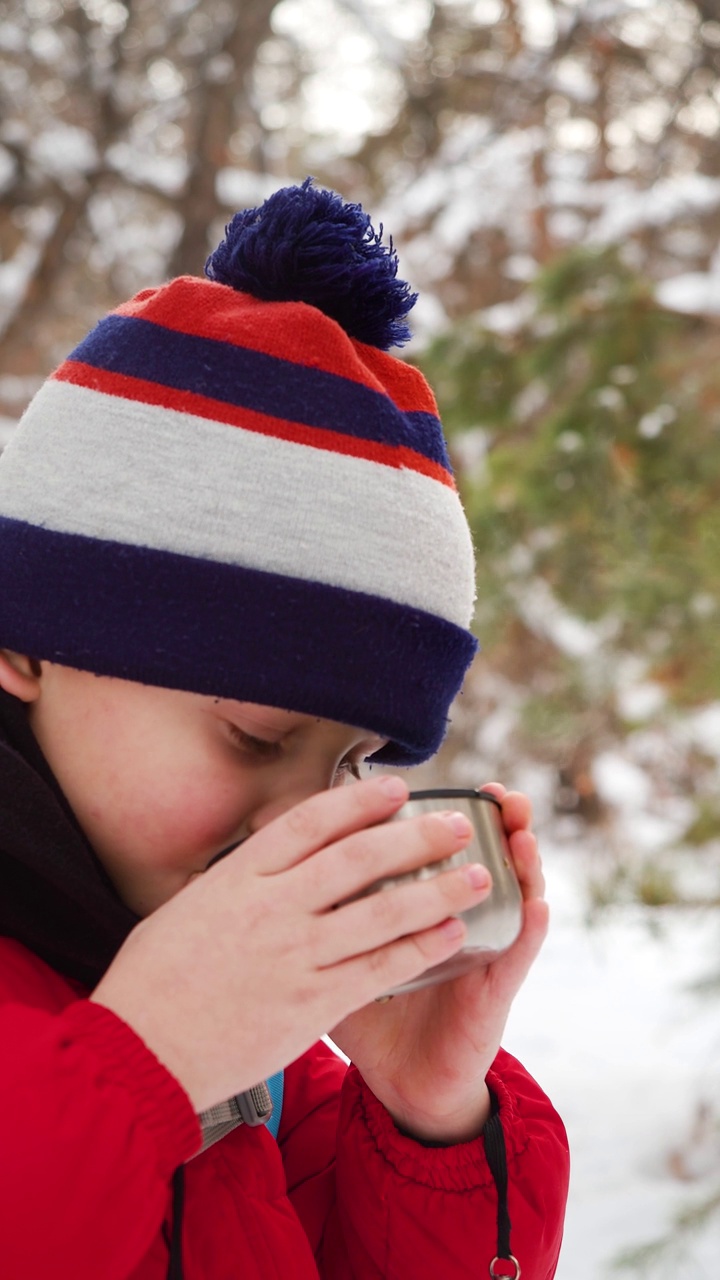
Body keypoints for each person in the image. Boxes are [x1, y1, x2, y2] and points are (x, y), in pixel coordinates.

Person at [0, 179, 569, 1280]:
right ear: (24, 645)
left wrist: (425, 1118)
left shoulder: (250, 1059)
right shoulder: (173, 1030)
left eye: (355, 762)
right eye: (256, 735)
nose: (297, 825)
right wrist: (139, 1070)